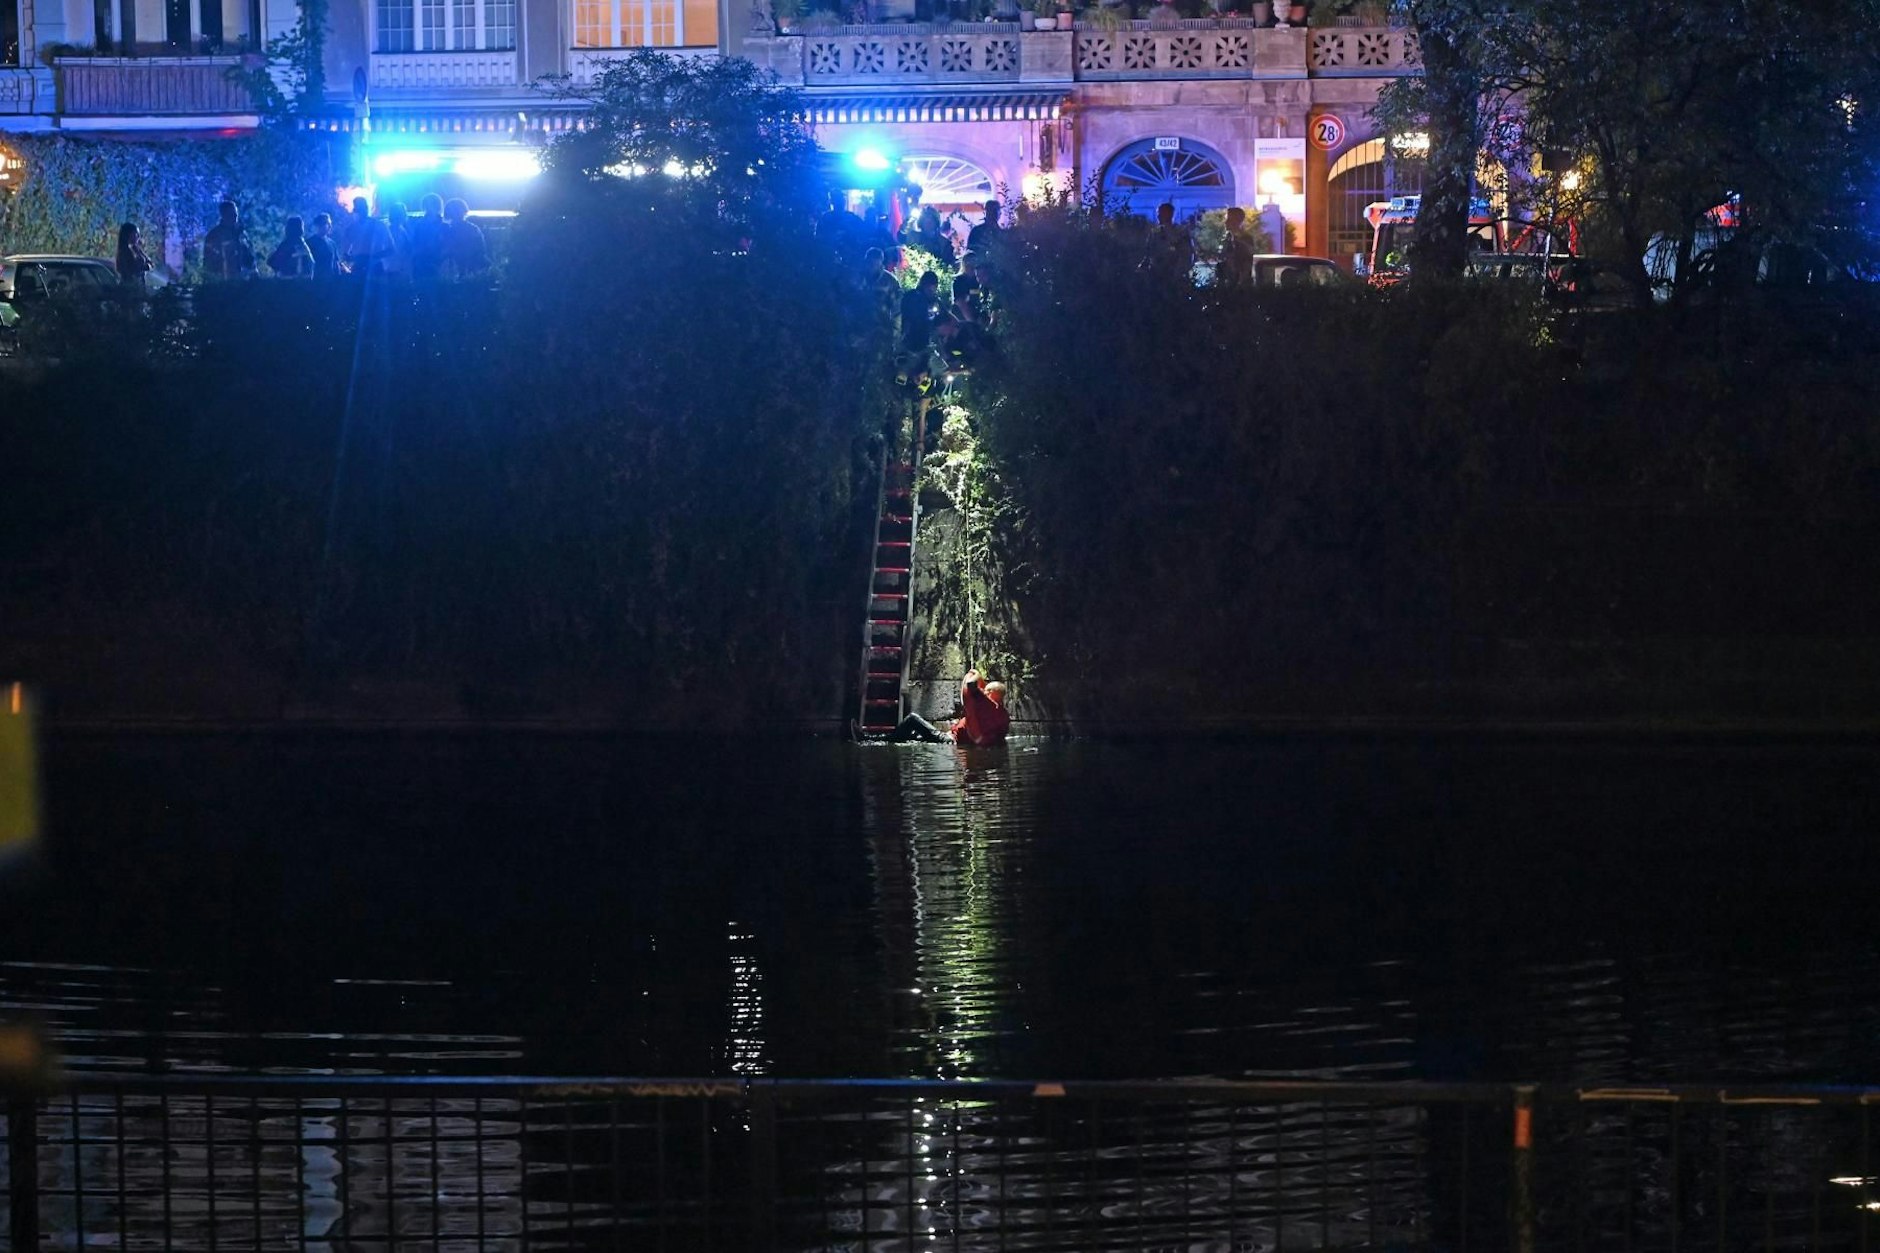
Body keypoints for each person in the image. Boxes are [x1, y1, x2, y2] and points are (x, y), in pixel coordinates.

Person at [341, 196, 394, 275]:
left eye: (362, 208)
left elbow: (391, 249)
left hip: (374, 268)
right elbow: (345, 254)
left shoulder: (379, 225)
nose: (362, 211)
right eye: (359, 209)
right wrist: (355, 258)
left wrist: (372, 257)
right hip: (360, 268)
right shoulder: (351, 229)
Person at [202, 200, 254, 281]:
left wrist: (253, 274)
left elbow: (250, 257)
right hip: (223, 283)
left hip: (242, 282)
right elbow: (209, 262)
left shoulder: (242, 234)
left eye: (236, 214)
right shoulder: (214, 235)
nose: (235, 217)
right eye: (231, 214)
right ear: (224, 215)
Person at [440, 198, 489, 277]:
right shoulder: (473, 229)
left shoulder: (447, 230)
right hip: (470, 268)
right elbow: (481, 250)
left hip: (458, 267)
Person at [899, 270, 941, 355]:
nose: (933, 290)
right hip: (911, 341)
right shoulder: (914, 297)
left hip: (924, 341)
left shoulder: (932, 300)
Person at [409, 193, 447, 280]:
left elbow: (447, 244)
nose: (430, 208)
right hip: (422, 262)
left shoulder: (444, 226)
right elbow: (414, 244)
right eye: (428, 205)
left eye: (433, 204)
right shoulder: (419, 225)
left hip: (439, 262)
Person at [1218, 205, 1254, 287]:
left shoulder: (1246, 239)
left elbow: (1246, 263)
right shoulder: (1226, 239)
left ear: (1237, 221)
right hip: (1227, 284)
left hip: (1240, 285)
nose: (1225, 222)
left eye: (1228, 219)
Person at [115, 222, 153, 290]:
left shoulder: (135, 249)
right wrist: (145, 266)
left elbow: (150, 262)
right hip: (129, 288)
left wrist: (140, 252)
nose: (138, 237)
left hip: (138, 286)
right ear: (128, 234)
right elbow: (132, 269)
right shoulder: (124, 252)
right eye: (136, 234)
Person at [306, 213, 340, 279]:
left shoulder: (332, 244)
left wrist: (338, 279)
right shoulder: (309, 243)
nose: (330, 226)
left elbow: (336, 263)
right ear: (319, 225)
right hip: (315, 281)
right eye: (328, 224)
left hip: (330, 282)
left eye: (330, 224)